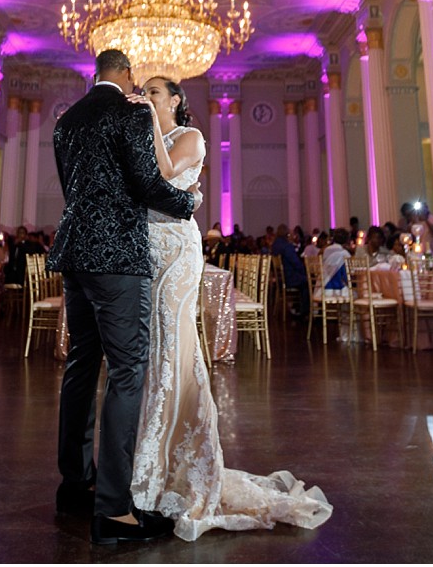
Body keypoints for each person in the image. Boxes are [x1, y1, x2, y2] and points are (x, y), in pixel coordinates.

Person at [127, 74, 331, 541]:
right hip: (145, 249)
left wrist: (146, 125)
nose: (146, 97)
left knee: (172, 348)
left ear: (176, 100)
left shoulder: (190, 137)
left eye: (154, 92)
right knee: (148, 351)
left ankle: (169, 466)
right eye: (145, 91)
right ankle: (148, 460)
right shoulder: (145, 135)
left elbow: (160, 176)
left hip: (177, 252)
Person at [48, 50, 199, 545]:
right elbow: (146, 182)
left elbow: (71, 187)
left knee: (80, 364)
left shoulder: (66, 119)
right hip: (116, 256)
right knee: (128, 371)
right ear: (128, 74)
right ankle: (114, 510)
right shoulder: (131, 112)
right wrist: (189, 202)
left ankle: (75, 483)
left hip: (74, 252)